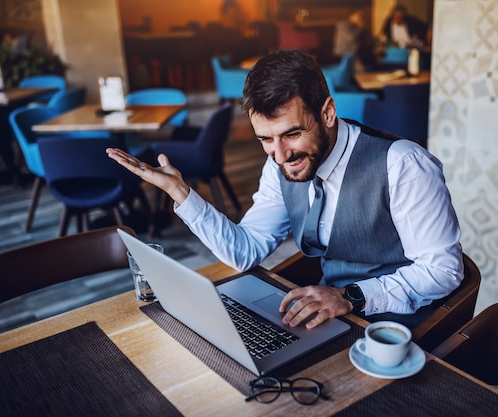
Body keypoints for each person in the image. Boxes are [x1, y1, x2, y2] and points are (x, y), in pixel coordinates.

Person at [106, 49, 463, 331]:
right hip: (333, 317)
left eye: (292, 133)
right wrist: (180, 193)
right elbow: (245, 251)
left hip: (398, 327)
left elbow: (443, 270)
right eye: (265, 139)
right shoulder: (280, 163)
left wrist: (351, 297)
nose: (280, 155)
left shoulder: (402, 165)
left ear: (327, 112)